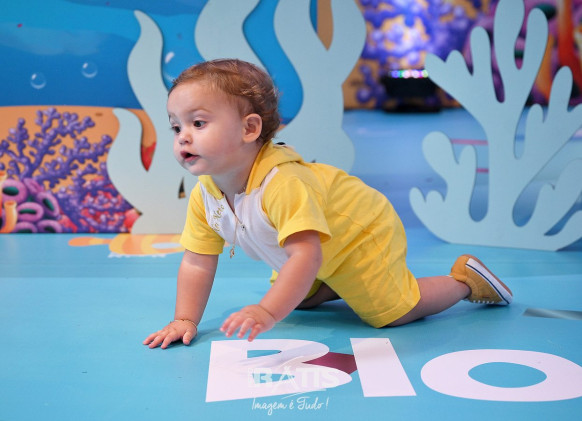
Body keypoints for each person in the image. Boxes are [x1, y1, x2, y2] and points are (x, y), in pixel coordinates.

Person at [143, 59, 512, 349]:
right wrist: (185, 319)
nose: (183, 137)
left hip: (357, 234)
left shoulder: (282, 184)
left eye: (198, 123)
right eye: (176, 127)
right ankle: (337, 284)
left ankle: (464, 281)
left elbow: (306, 256)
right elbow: (197, 261)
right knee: (299, 298)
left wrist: (267, 311)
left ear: (249, 129)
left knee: (392, 313)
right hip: (316, 250)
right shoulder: (206, 195)